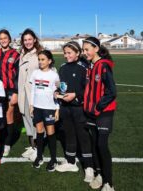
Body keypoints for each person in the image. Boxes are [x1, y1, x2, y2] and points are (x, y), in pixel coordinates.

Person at [54, 41, 94, 183]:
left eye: (69, 53)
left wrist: (76, 95)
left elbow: (88, 89)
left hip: (79, 109)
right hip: (65, 108)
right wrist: (57, 93)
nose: (66, 55)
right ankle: (71, 162)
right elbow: (61, 87)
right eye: (65, 53)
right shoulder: (63, 68)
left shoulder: (84, 68)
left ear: (77, 53)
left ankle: (89, 167)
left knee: (83, 136)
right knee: (69, 134)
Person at [82, 37, 117, 191]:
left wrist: (98, 106)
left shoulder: (103, 66)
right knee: (94, 145)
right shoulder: (90, 66)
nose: (84, 52)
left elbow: (112, 92)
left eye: (87, 49)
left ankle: (109, 184)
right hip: (91, 113)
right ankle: (99, 175)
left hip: (103, 113)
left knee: (102, 145)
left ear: (96, 48)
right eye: (83, 50)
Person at [29, 50, 59, 171]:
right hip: (37, 107)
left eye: (43, 59)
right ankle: (39, 156)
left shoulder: (54, 75)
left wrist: (57, 109)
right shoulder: (35, 73)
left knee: (50, 133)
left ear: (49, 61)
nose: (40, 62)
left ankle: (53, 159)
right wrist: (31, 105)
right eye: (39, 59)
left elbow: (58, 93)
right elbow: (33, 90)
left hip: (49, 108)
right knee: (39, 132)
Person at [0, 29, 20, 157]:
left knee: (9, 114)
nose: (3, 40)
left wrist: (16, 92)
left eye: (5, 38)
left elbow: (19, 75)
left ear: (9, 39)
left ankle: (7, 143)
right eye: (1, 38)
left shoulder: (15, 54)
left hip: (10, 89)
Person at [18, 28, 43, 161]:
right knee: (26, 118)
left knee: (35, 121)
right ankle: (33, 147)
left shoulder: (39, 53)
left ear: (34, 40)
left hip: (35, 93)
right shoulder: (22, 53)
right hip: (23, 92)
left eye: (30, 39)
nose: (27, 42)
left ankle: (39, 150)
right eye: (25, 40)